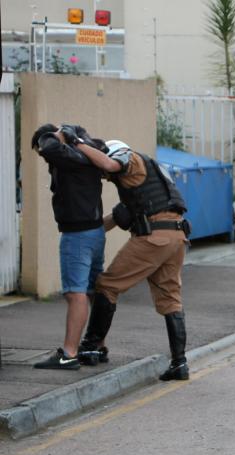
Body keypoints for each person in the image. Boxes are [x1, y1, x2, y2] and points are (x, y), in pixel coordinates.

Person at [75, 139, 192, 381]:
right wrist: (87, 232)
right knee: (170, 298)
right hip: (177, 237)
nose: (107, 177)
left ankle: (91, 346)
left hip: (154, 238)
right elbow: (118, 216)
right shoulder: (149, 179)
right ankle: (179, 363)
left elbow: (111, 163)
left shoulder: (132, 160)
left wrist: (77, 143)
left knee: (107, 285)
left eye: (107, 174)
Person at [31, 123, 106, 370]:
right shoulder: (88, 153)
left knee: (76, 293)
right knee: (93, 291)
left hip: (77, 235)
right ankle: (95, 346)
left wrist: (54, 136)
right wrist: (74, 135)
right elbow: (97, 143)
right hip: (96, 232)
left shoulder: (66, 156)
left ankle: (69, 353)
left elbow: (51, 149)